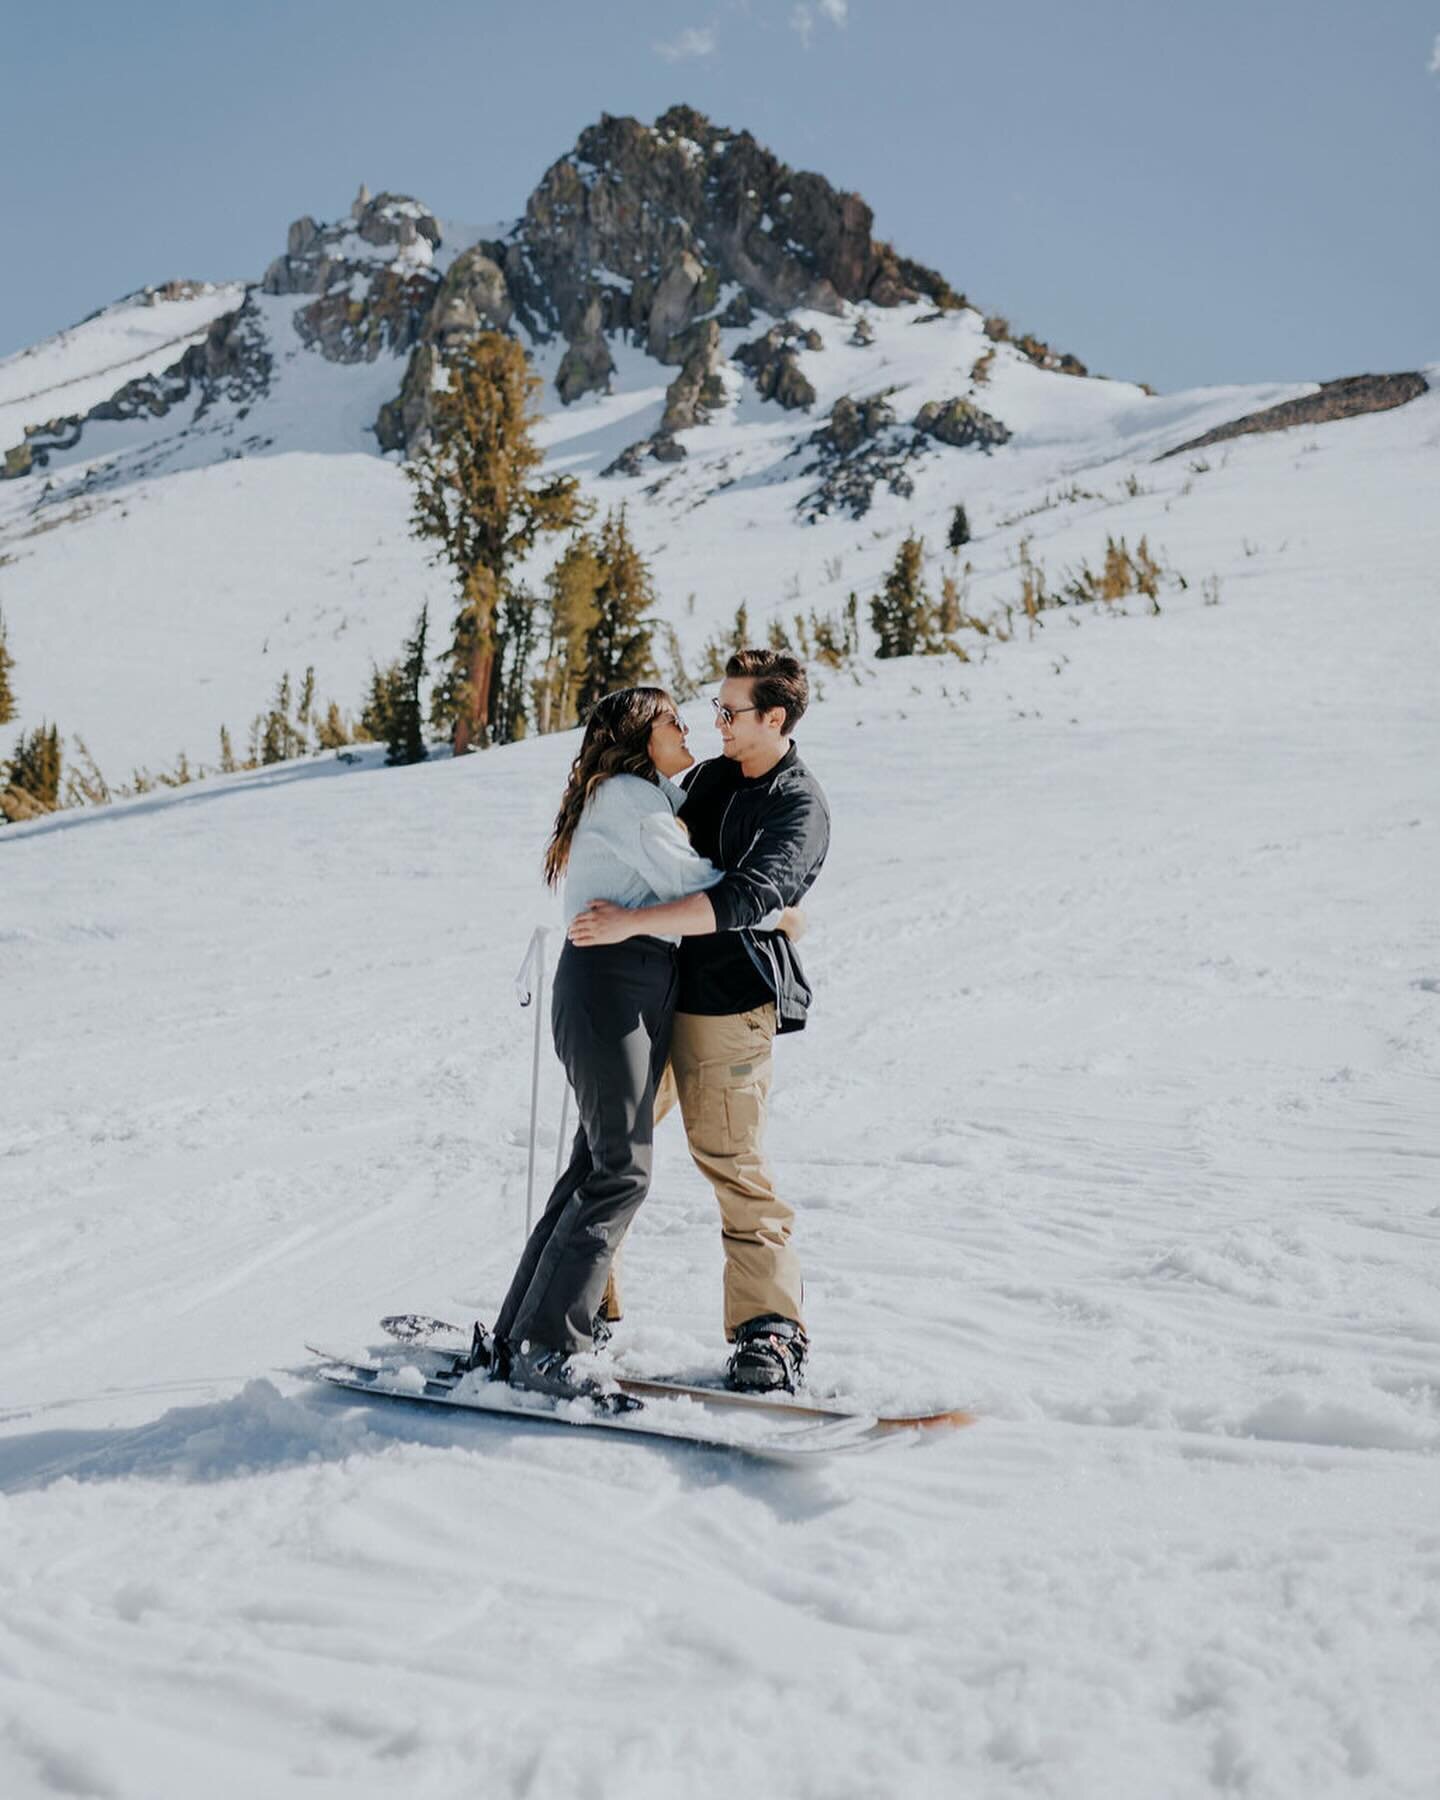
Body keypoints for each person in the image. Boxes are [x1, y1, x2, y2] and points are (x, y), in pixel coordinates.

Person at [489, 685, 795, 1403]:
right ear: (638, 737)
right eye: (671, 723)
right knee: (619, 1172)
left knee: (596, 1166)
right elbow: (694, 884)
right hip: (613, 987)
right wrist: (776, 912)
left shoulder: (637, 796)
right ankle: (547, 1346)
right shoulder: (630, 796)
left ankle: (522, 1335)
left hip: (624, 986)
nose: (687, 731)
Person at [569, 650, 830, 1393]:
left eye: (729, 712)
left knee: (731, 1163)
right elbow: (651, 839)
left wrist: (631, 924)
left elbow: (743, 900)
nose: (715, 722)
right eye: (713, 708)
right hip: (654, 994)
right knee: (606, 1154)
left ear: (773, 720)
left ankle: (769, 1333)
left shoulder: (798, 806)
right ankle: (585, 1310)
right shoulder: (712, 779)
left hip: (728, 1006)